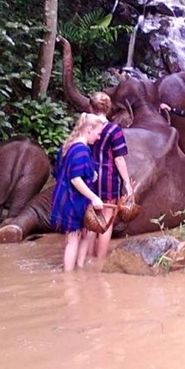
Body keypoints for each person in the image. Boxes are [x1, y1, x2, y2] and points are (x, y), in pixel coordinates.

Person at [50, 113, 109, 272]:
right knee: (73, 239)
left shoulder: (70, 146)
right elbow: (75, 179)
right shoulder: (80, 150)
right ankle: (69, 279)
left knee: (87, 234)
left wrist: (92, 175)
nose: (98, 138)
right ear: (89, 129)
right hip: (72, 201)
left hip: (74, 200)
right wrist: (94, 197)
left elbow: (62, 172)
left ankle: (80, 270)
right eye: (98, 134)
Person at [87, 92, 133, 261]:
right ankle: (99, 261)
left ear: (91, 107)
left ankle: (87, 258)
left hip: (88, 177)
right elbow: (119, 158)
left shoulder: (87, 126)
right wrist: (127, 184)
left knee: (91, 218)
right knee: (106, 220)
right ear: (108, 109)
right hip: (109, 178)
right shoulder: (114, 130)